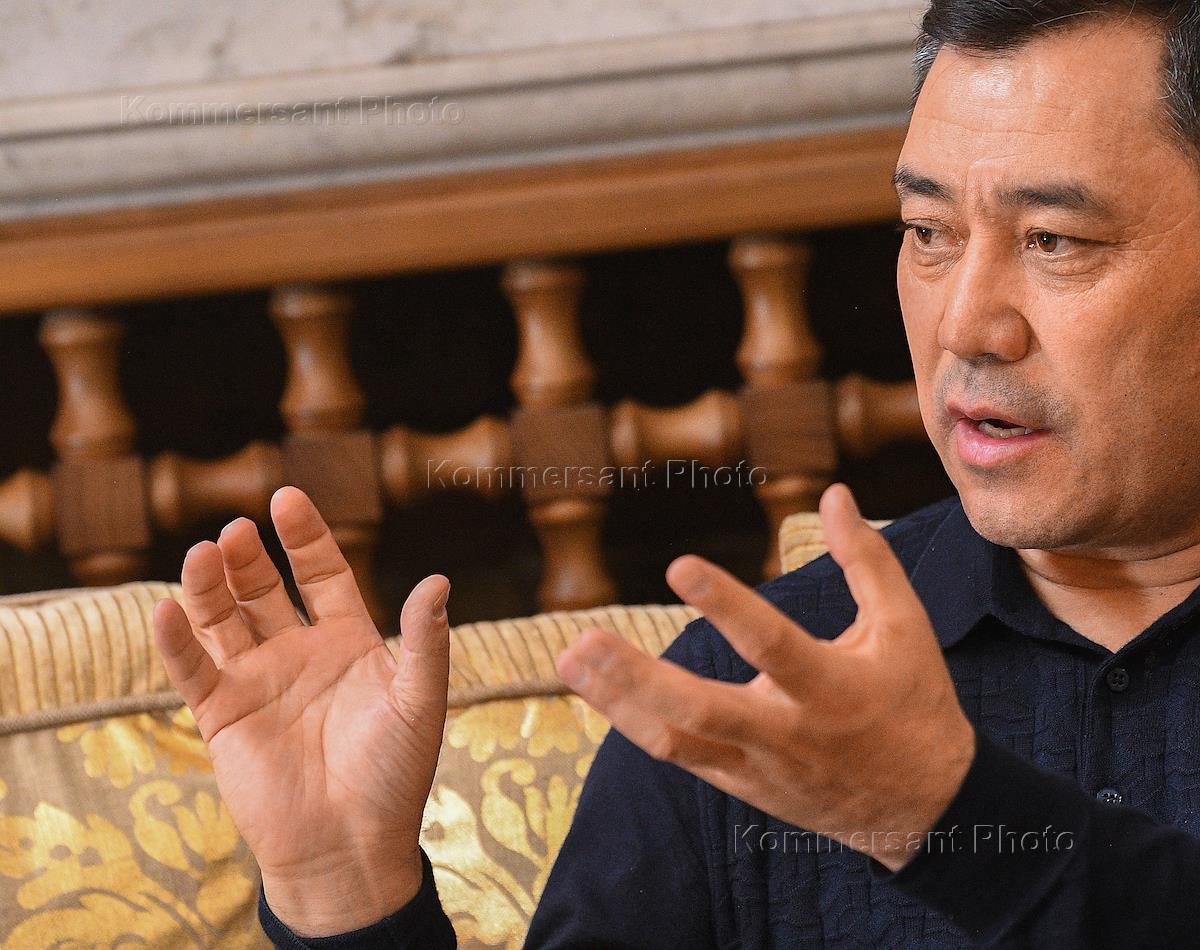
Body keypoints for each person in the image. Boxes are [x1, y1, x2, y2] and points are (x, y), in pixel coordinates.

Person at [152, 1, 1200, 946]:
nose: (966, 323)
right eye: (929, 232)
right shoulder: (745, 693)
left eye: (1055, 240)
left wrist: (942, 813)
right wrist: (346, 891)